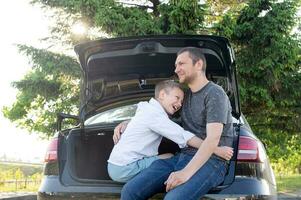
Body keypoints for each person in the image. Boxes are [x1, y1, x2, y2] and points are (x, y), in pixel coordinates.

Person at [116, 47, 234, 200]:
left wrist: (185, 173)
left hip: (213, 161)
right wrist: (129, 121)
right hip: (183, 156)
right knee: (130, 191)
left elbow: (212, 139)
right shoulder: (185, 97)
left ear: (198, 65)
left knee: (173, 199)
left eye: (181, 64)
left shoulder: (214, 93)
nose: (176, 69)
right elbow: (158, 119)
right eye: (176, 65)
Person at [108, 80, 233, 183]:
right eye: (177, 98)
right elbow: (184, 136)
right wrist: (216, 149)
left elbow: (140, 119)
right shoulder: (156, 116)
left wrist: (126, 122)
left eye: (181, 102)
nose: (179, 104)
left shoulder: (147, 108)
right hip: (124, 169)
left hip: (115, 165)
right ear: (162, 95)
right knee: (170, 156)